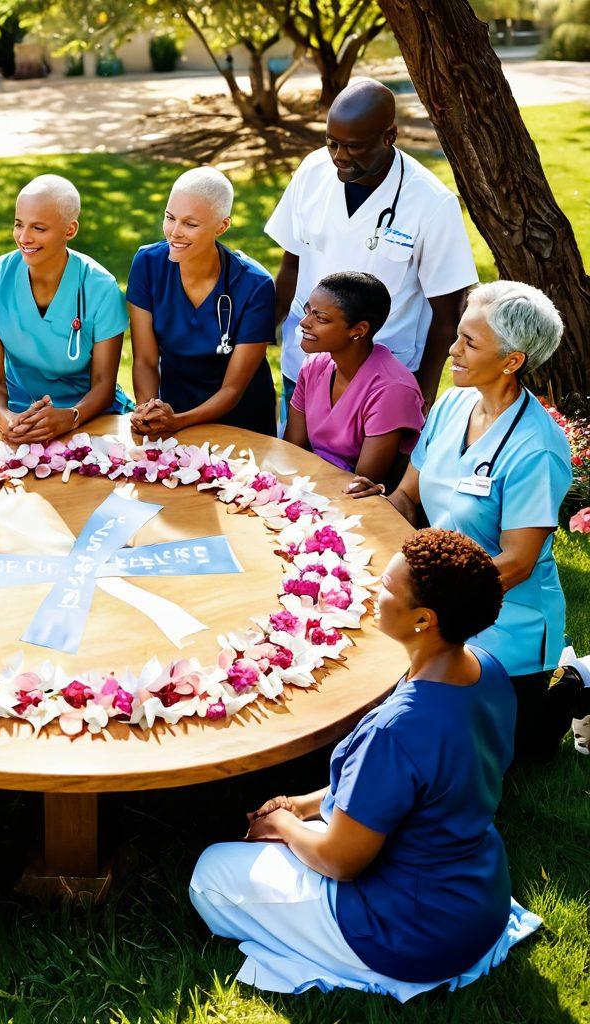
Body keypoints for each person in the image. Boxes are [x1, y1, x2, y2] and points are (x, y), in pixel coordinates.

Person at [190, 529, 540, 999]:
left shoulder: (397, 729)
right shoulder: (485, 669)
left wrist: (281, 825)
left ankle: (352, 963)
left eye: (389, 587)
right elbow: (411, 784)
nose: (376, 587)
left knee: (209, 875)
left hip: (413, 935)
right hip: (479, 899)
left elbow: (341, 861)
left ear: (423, 619)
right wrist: (301, 805)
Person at [348, 281, 589, 758]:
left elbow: (517, 562)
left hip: (506, 621)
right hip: (441, 601)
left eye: (469, 343)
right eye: (458, 336)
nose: (452, 350)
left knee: (498, 757)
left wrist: (428, 602)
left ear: (512, 360)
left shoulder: (536, 449)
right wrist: (365, 512)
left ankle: (575, 682)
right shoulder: (454, 402)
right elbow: (406, 498)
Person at [265, 78, 478, 419]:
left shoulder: (431, 202)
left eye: (354, 147)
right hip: (302, 370)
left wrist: (422, 395)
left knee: (367, 475)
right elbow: (291, 266)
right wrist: (259, 338)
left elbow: (447, 315)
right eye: (332, 143)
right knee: (294, 469)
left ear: (389, 136)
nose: (339, 157)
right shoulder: (312, 171)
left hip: (383, 386)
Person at [0, 174, 131, 444]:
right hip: (18, 413)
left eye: (39, 228)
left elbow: (103, 384)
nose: (24, 238)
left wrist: (71, 416)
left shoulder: (101, 287)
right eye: (19, 225)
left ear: (70, 230)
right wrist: (8, 421)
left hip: (90, 415)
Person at [127, 166, 277, 439]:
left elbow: (232, 390)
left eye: (190, 224)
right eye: (170, 218)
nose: (174, 233)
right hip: (173, 414)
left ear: (222, 226)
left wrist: (178, 421)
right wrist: (148, 411)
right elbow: (146, 360)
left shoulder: (255, 286)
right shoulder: (147, 264)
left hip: (241, 423)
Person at [285, 271, 425, 482]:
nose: (304, 322)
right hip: (305, 487)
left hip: (362, 504)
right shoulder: (313, 367)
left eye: (320, 318)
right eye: (307, 311)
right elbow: (292, 452)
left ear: (359, 330)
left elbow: (364, 482)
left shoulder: (392, 390)